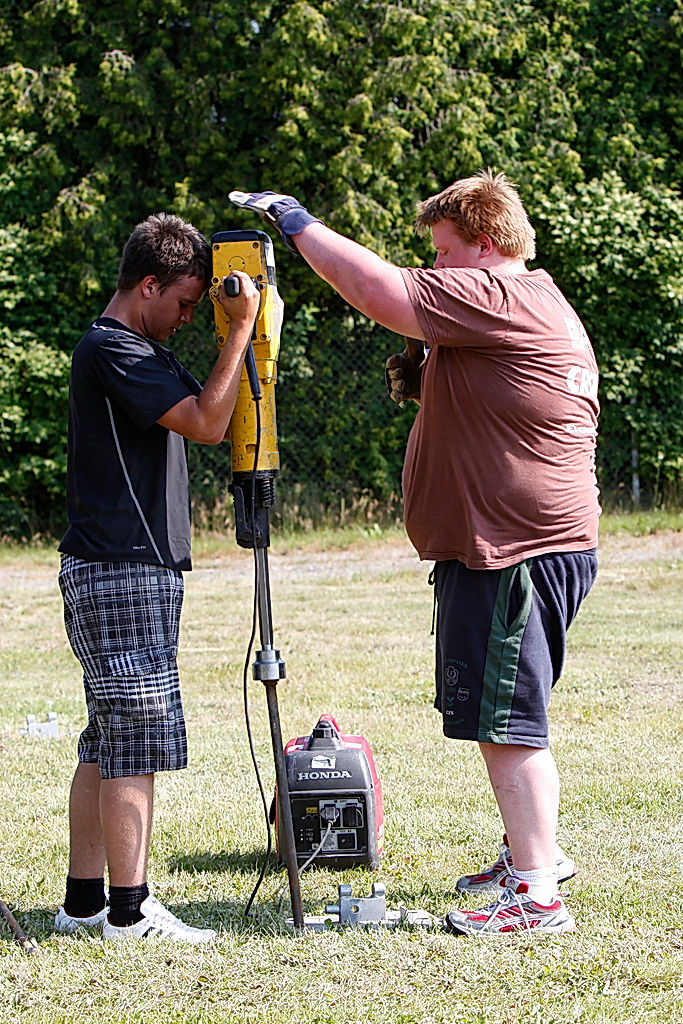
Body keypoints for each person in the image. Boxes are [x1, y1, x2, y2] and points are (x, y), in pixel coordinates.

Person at [229, 174, 600, 935]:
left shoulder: (500, 295)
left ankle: (537, 896)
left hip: (513, 554)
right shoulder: (527, 302)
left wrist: (298, 224)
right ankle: (532, 858)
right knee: (505, 715)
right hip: (521, 548)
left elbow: (381, 291)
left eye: (442, 252)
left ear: (485, 245)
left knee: (509, 723)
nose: (433, 267)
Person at [54, 212, 260, 943]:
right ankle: (130, 910)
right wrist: (241, 330)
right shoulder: (116, 350)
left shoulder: (136, 349)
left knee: (107, 738)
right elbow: (208, 421)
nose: (186, 317)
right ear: (148, 284)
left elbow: (203, 407)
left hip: (119, 565)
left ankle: (85, 904)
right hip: (122, 566)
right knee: (136, 736)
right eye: (182, 302)